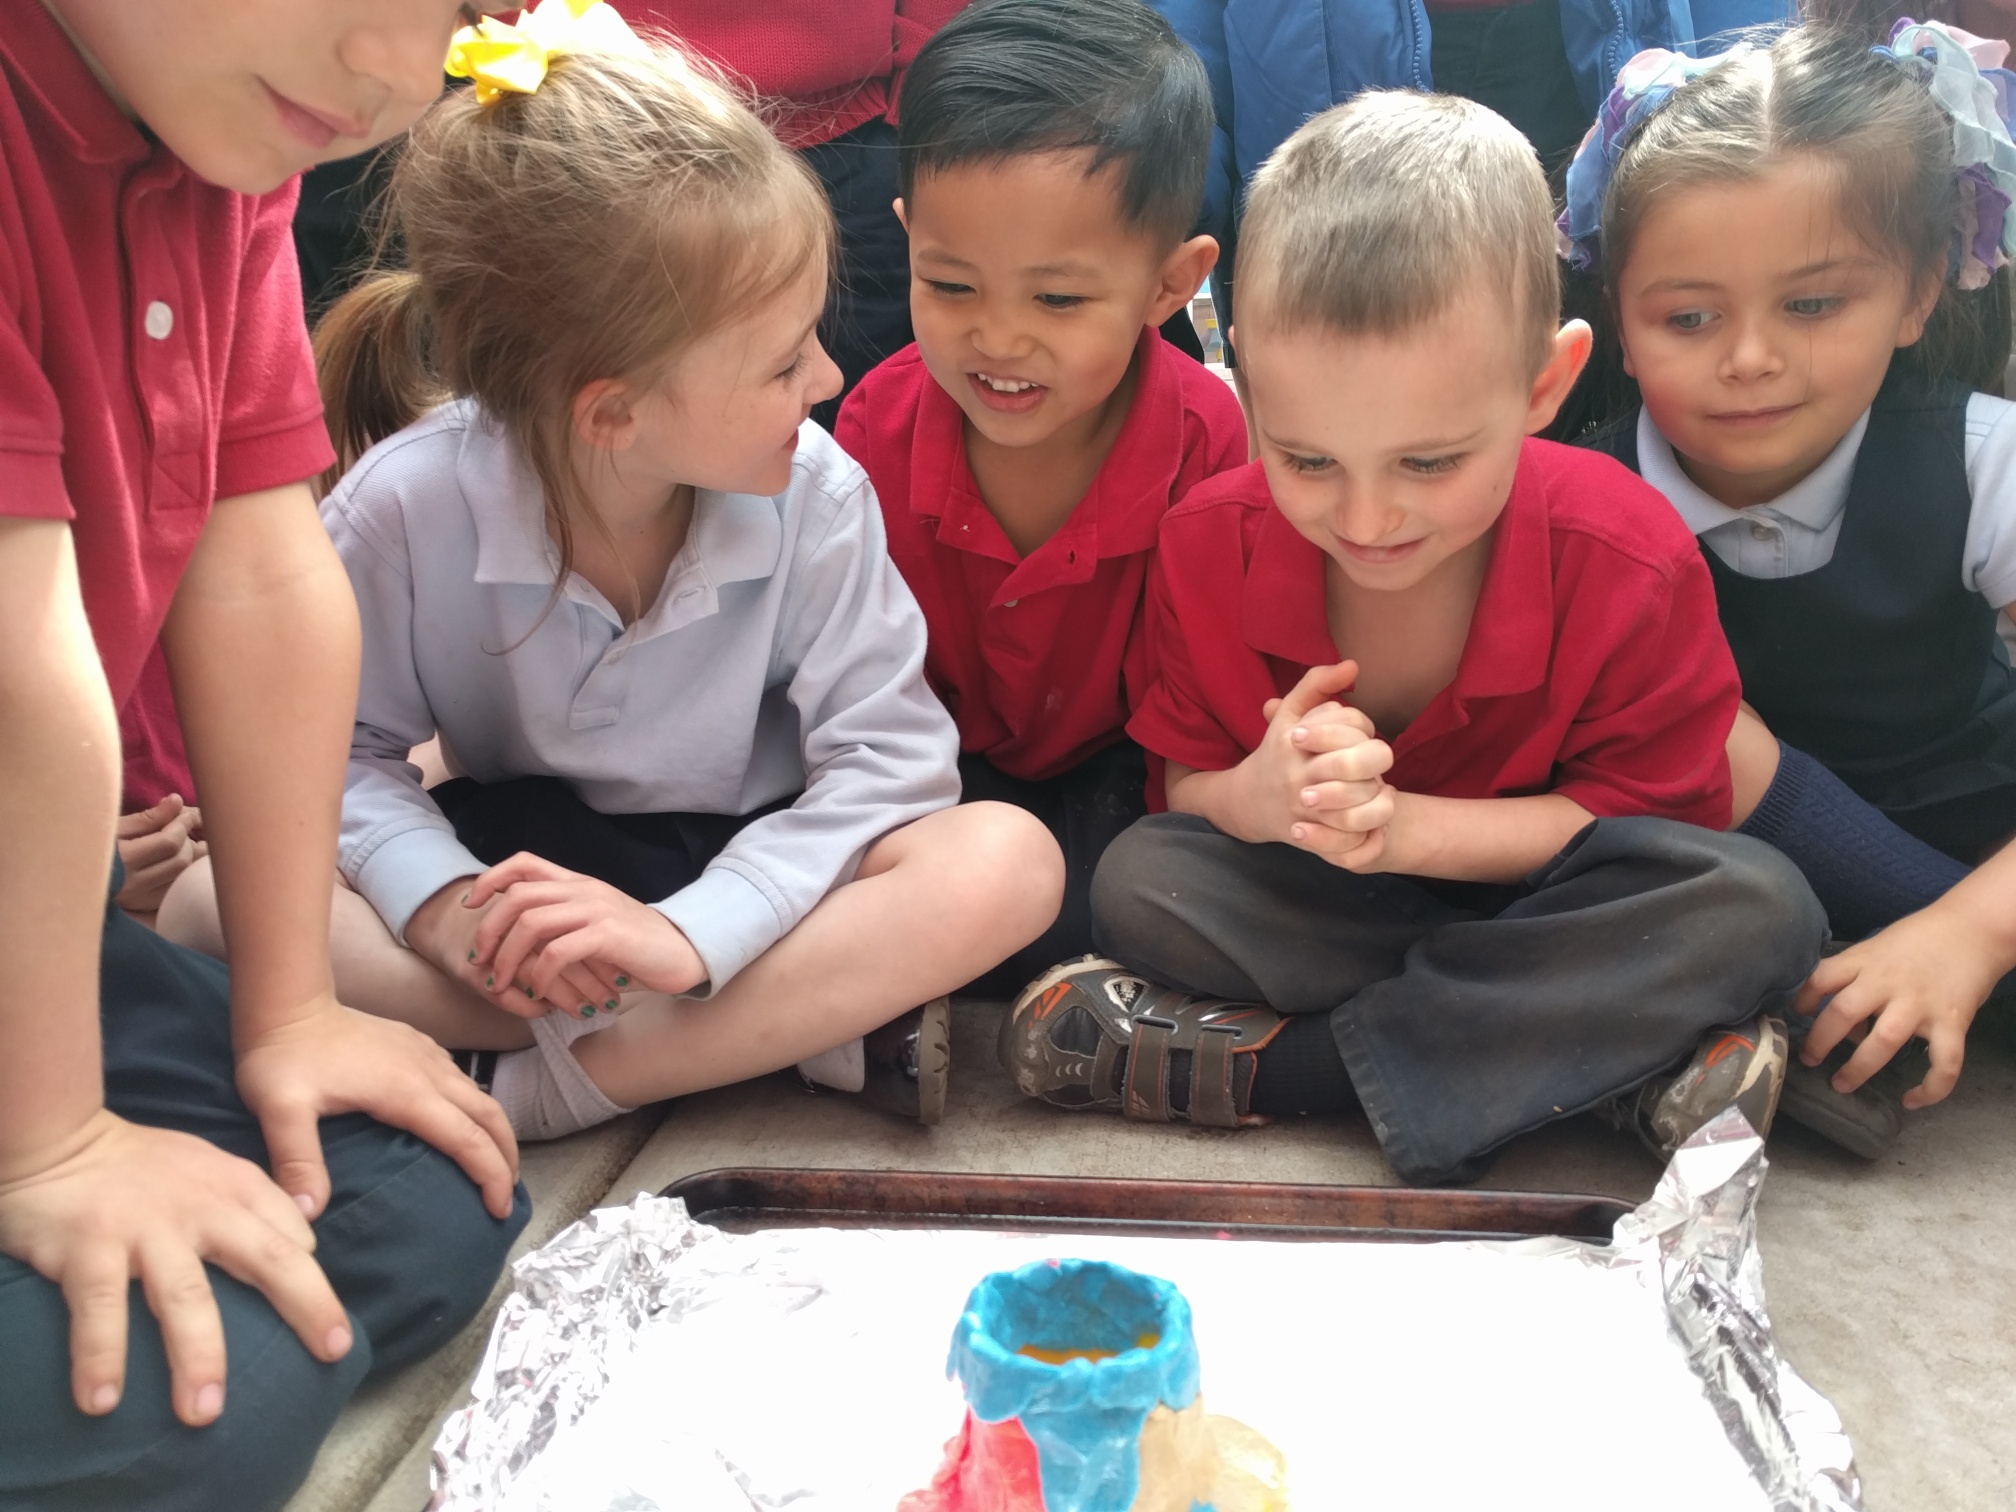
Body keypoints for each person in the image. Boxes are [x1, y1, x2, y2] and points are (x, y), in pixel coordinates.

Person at [159, 12, 1063, 1140]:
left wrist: (690, 935)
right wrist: (439, 903)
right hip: (517, 890)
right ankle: (783, 1037)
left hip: (752, 870)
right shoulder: (403, 505)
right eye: (784, 361)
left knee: (1008, 858)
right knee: (205, 904)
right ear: (613, 412)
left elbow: (889, 766)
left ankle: (561, 1082)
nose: (828, 378)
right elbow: (326, 757)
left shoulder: (816, 495)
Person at [994, 90, 1827, 1186]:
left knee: (1758, 908)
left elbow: (1641, 824)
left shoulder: (1625, 550)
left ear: (1546, 383)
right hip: (1343, 913)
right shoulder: (1208, 543)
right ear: (1245, 377)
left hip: (1560, 903)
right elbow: (1186, 789)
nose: (1366, 520)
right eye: (1307, 460)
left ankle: (1278, 1076)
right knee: (1145, 881)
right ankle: (1615, 1064)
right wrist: (1260, 794)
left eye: (1430, 463)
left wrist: (1407, 831)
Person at [0, 4, 532, 1510]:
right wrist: (47, 1147)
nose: (396, 70)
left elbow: (259, 569)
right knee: (215, 1400)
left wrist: (290, 1004)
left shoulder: (210, 124)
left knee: (425, 1197)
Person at [1567, 22, 2016, 1146]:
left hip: (1978, 850)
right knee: (1697, 758)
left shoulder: (1983, 463)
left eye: (1813, 305)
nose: (1751, 358)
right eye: (1689, 317)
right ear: (1617, 314)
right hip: (1708, 865)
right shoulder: (1584, 498)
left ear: (1919, 294)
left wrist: (1972, 926)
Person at [836, 0, 1245, 993]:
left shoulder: (1209, 442)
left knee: (1172, 888)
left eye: (1057, 299)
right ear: (908, 241)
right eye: (952, 286)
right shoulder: (872, 427)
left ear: (1169, 285)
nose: (1000, 339)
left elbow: (1197, 719)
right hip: (934, 776)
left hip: (1129, 783)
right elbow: (859, 707)